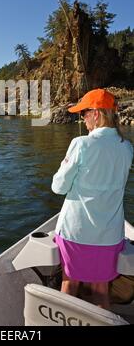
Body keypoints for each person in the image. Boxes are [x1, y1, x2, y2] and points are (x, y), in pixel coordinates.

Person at [51, 88, 133, 309]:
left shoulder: (81, 144)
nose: (83, 118)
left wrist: (63, 165)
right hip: (109, 235)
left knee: (69, 283)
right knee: (101, 289)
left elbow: (58, 187)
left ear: (96, 114)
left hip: (76, 232)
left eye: (84, 113)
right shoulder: (127, 148)